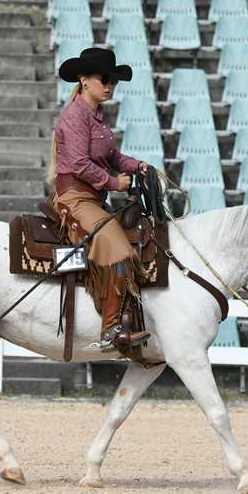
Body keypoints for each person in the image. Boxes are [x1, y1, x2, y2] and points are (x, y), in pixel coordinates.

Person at [46, 47, 151, 351]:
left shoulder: (98, 117)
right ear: (84, 79)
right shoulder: (74, 116)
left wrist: (136, 165)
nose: (109, 85)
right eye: (104, 79)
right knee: (118, 249)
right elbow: (79, 164)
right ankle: (111, 330)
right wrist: (114, 183)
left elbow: (112, 156)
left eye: (113, 81)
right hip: (74, 198)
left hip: (92, 199)